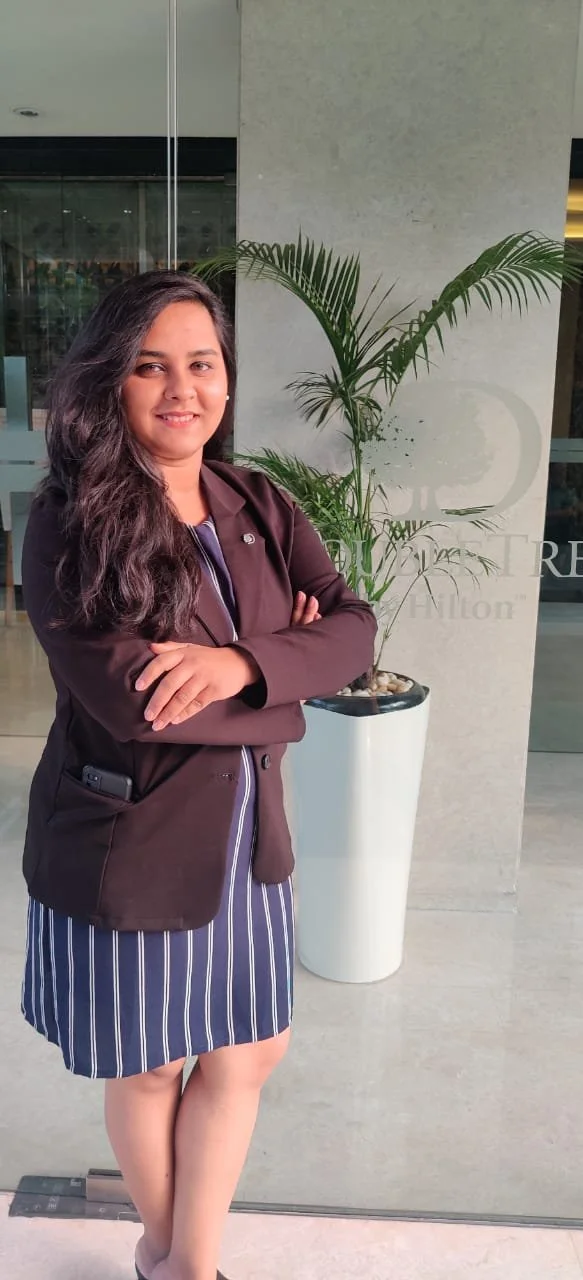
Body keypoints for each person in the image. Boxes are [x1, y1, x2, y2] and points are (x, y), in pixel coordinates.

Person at [19, 270, 376, 1280]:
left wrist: (240, 665)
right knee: (152, 1062)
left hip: (246, 835)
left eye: (202, 363)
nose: (183, 388)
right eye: (151, 366)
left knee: (248, 1050)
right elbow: (136, 702)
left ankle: (178, 1260)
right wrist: (290, 673)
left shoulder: (256, 498)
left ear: (226, 377)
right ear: (110, 380)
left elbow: (354, 630)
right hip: (133, 834)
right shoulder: (68, 518)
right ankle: (177, 1261)